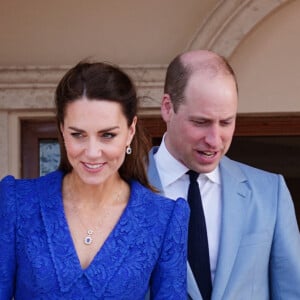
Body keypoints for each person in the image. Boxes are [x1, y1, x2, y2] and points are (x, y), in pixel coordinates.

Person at [0, 61, 190, 299]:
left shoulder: (164, 219)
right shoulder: (15, 203)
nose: (92, 152)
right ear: (61, 130)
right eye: (78, 134)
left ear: (130, 131)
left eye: (107, 135)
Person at [147, 49, 300, 299]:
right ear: (167, 108)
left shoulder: (270, 192)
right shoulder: (123, 189)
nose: (215, 140)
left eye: (226, 122)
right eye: (201, 122)